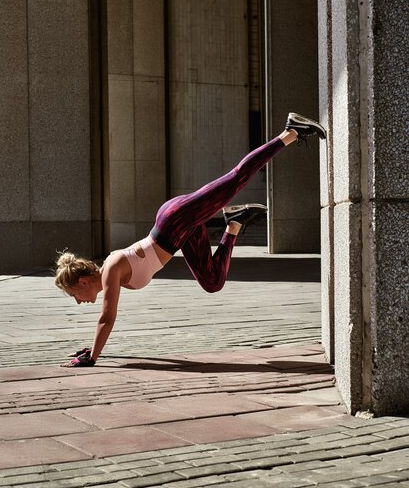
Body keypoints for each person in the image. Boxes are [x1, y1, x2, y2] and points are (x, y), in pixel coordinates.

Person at [55, 113, 326, 367]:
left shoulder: (112, 269)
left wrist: (93, 357)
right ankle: (235, 222)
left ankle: (291, 131)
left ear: (82, 282)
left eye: (74, 295)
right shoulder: (111, 272)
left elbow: (107, 317)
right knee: (212, 282)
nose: (79, 301)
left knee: (236, 179)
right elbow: (106, 318)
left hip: (175, 221)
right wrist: (93, 349)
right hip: (181, 234)